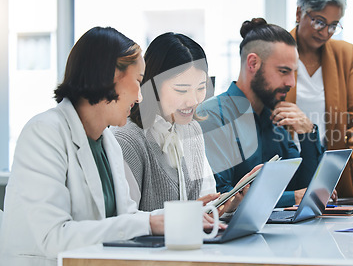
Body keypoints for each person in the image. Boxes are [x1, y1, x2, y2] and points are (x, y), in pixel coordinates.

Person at [0, 27, 215, 266]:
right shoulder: (44, 132)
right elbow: (54, 237)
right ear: (110, 79)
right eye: (137, 81)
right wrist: (151, 223)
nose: (141, 96)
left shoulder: (107, 140)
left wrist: (184, 216)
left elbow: (127, 218)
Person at [112, 32, 246, 213]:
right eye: (181, 90)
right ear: (152, 86)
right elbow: (125, 220)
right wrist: (186, 216)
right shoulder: (127, 139)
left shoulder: (192, 131)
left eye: (200, 88)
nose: (193, 101)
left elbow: (205, 204)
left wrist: (226, 207)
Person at [198, 18, 324, 208]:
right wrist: (294, 198)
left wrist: (308, 134)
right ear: (253, 63)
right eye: (283, 71)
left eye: (294, 73)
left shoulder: (276, 119)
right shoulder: (212, 116)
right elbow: (220, 196)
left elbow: (303, 187)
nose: (292, 82)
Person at [284, 0, 353, 198]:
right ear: (299, 14)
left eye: (333, 25)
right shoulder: (277, 52)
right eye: (319, 21)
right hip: (288, 169)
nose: (325, 32)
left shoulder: (345, 55)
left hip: (330, 173)